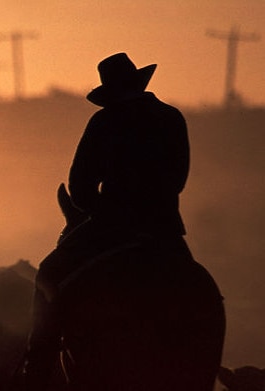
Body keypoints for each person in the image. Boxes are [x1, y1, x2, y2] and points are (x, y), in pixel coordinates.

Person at [23, 52, 191, 389]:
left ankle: (36, 369)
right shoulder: (171, 117)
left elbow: (80, 185)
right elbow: (178, 180)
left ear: (110, 90)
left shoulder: (104, 121)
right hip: (164, 228)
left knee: (49, 273)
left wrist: (100, 212)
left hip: (111, 225)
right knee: (195, 286)